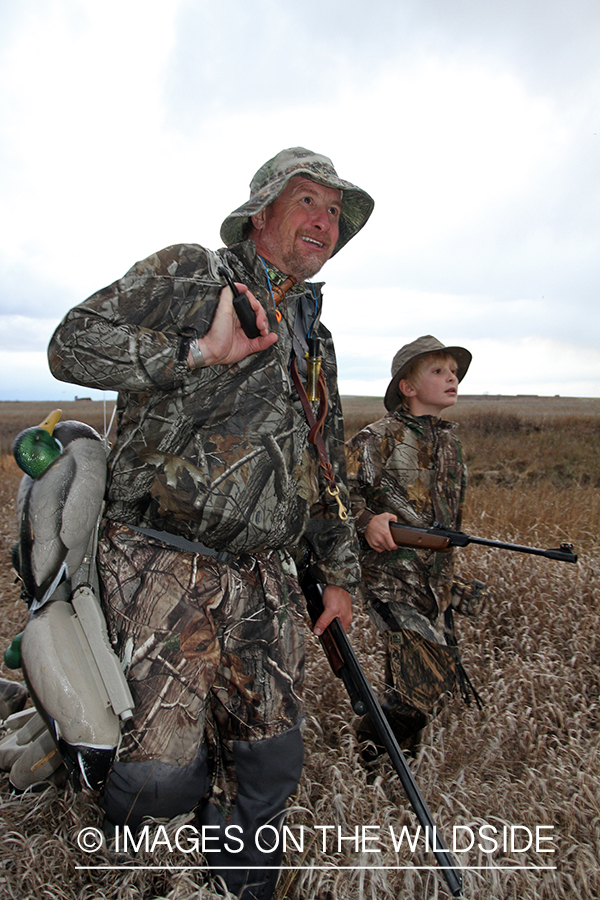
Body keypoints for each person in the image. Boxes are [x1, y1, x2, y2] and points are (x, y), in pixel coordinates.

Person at [48, 147, 374, 899]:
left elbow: (324, 468)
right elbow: (71, 343)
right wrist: (197, 351)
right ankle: (129, 875)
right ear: (262, 211)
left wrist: (340, 576)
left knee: (270, 757)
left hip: (265, 576)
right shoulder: (197, 274)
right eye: (307, 202)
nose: (323, 221)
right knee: (155, 775)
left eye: (335, 212)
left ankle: (238, 885)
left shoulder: (313, 339)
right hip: (165, 560)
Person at [345, 336, 486, 760]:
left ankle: (389, 775)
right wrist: (367, 520)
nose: (452, 378)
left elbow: (446, 527)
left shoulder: (451, 446)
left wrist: (451, 583)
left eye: (454, 372)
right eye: (439, 371)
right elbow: (330, 493)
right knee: (427, 683)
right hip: (391, 580)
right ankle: (368, 746)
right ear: (407, 387)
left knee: (410, 686)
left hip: (433, 586)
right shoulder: (378, 438)